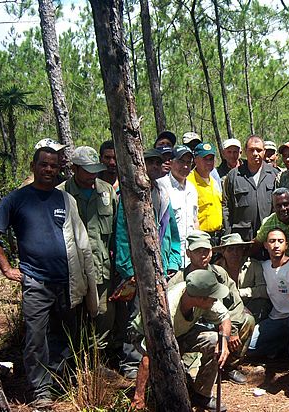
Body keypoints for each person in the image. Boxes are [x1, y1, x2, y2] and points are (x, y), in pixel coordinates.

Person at [0, 146, 98, 407]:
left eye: (54, 166)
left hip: (67, 281)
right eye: (44, 164)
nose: (49, 169)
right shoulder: (16, 200)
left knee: (64, 335)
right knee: (36, 338)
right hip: (35, 281)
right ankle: (41, 391)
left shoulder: (65, 199)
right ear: (34, 166)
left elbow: (81, 241)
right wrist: (6, 269)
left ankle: (58, 381)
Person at [114, 148, 181, 378]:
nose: (154, 166)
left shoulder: (162, 193)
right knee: (135, 315)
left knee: (158, 313)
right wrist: (128, 269)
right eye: (149, 162)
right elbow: (122, 234)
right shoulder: (129, 193)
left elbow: (171, 229)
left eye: (157, 163)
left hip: (160, 265)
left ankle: (155, 359)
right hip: (138, 266)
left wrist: (173, 261)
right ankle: (131, 363)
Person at [131, 269, 232, 411]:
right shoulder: (167, 310)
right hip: (147, 336)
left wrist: (224, 341)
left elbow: (225, 318)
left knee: (215, 340)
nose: (216, 300)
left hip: (180, 332)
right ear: (200, 298)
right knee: (164, 371)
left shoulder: (200, 295)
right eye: (213, 297)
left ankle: (202, 395)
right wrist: (139, 398)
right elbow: (149, 355)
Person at [176, 231, 254, 384]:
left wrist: (232, 330)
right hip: (191, 328)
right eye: (197, 251)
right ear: (188, 253)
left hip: (220, 321)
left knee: (248, 319)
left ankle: (229, 366)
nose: (203, 255)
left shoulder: (220, 274)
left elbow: (235, 303)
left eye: (206, 251)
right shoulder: (179, 279)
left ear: (211, 252)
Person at [59, 146, 118, 345]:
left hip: (102, 268)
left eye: (95, 170)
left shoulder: (107, 191)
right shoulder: (61, 194)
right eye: (87, 170)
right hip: (71, 271)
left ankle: (98, 355)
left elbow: (117, 231)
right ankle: (75, 355)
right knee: (73, 317)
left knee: (103, 315)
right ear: (74, 168)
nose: (93, 175)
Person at [248, 228, 289, 361]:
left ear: (286, 245)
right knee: (249, 346)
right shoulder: (264, 266)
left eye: (280, 241)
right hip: (276, 318)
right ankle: (281, 345)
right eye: (272, 241)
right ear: (265, 245)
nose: (276, 245)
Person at [223, 135, 279, 241]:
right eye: (251, 150)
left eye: (259, 150)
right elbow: (226, 207)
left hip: (268, 236)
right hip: (241, 237)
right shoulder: (233, 176)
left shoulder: (274, 175)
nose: (255, 154)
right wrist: (228, 234)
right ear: (245, 152)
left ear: (264, 152)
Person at [215, 233, 271, 323]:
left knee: (261, 303)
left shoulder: (253, 265)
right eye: (230, 249)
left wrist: (240, 293)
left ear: (243, 250)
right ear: (223, 252)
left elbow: (264, 290)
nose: (235, 253)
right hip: (226, 308)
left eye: (238, 249)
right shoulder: (217, 269)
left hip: (250, 306)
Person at [158, 145, 199, 269]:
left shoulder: (192, 189)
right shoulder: (161, 186)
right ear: (171, 162)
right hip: (168, 258)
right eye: (181, 162)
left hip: (190, 258)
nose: (185, 166)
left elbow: (195, 220)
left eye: (188, 163)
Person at [251, 187, 289, 266]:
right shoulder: (268, 223)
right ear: (273, 207)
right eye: (278, 206)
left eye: (286, 204)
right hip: (282, 267)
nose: (283, 209)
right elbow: (256, 243)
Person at [187, 142, 223, 245]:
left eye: (211, 159)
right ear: (195, 160)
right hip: (201, 238)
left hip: (218, 237)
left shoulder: (214, 182)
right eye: (205, 159)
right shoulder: (189, 182)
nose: (208, 162)